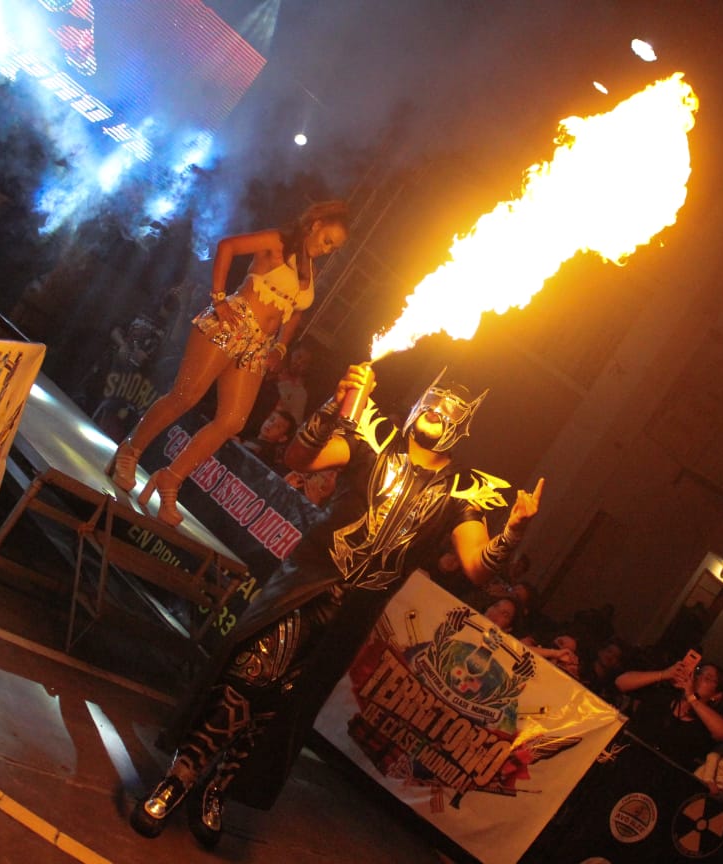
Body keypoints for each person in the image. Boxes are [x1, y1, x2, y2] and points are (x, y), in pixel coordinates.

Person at [130, 363, 545, 847]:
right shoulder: (373, 439)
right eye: (430, 403)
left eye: (446, 411)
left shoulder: (463, 491)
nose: (434, 413)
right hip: (307, 582)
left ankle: (219, 787)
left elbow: (477, 567)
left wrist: (514, 529)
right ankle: (178, 778)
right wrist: (331, 406)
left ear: (461, 425)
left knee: (282, 704)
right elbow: (301, 457)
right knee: (249, 675)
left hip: (354, 613)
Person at [107, 200, 351, 525]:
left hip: (258, 345)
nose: (327, 249)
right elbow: (227, 246)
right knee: (186, 395)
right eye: (327, 240)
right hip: (231, 323)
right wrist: (219, 298)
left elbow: (296, 312)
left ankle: (171, 477)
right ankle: (131, 449)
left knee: (233, 421)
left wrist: (280, 347)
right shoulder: (277, 242)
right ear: (315, 225)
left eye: (333, 247)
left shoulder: (310, 270)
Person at [614, 659, 723, 770]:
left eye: (708, 678)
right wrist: (664, 674)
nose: (699, 678)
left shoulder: (704, 724)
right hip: (624, 760)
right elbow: (621, 682)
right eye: (699, 672)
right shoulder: (664, 695)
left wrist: (691, 697)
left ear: (717, 695)